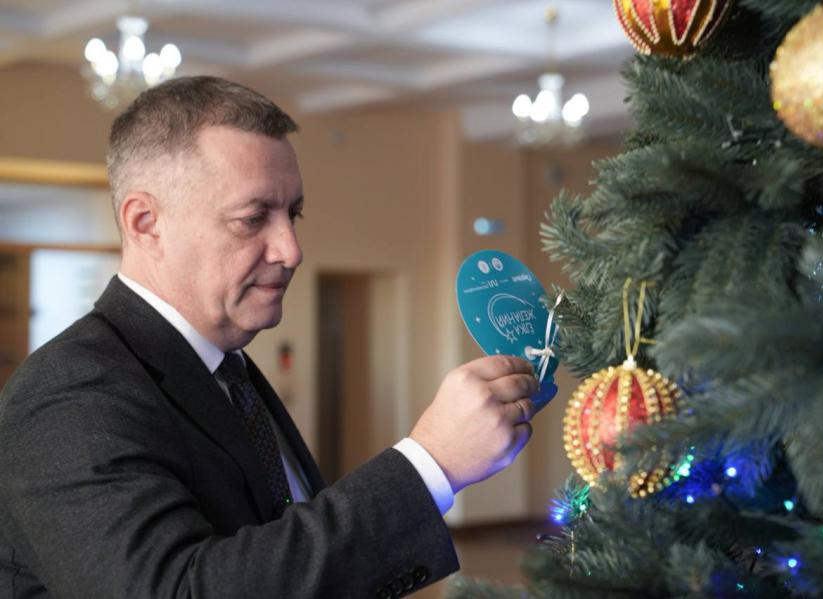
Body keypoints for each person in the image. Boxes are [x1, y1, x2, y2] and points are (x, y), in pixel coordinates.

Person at [0, 76, 546, 598]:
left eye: (292, 214)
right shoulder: (68, 392)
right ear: (146, 223)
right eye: (253, 217)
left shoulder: (228, 370)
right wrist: (432, 465)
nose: (291, 250)